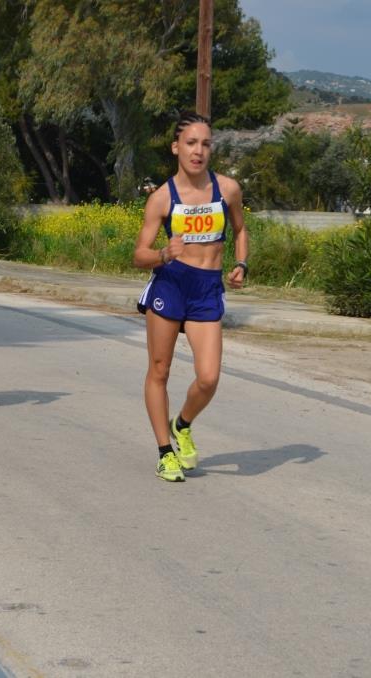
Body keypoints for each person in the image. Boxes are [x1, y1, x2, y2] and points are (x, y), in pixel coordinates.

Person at [133, 112, 249, 482]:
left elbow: (241, 230)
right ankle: (165, 451)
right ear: (176, 148)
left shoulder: (227, 189)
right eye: (191, 143)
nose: (198, 151)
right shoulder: (163, 198)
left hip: (206, 289)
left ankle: (182, 423)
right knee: (159, 370)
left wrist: (241, 264)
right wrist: (164, 254)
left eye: (206, 144)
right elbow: (139, 255)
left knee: (209, 377)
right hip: (170, 285)